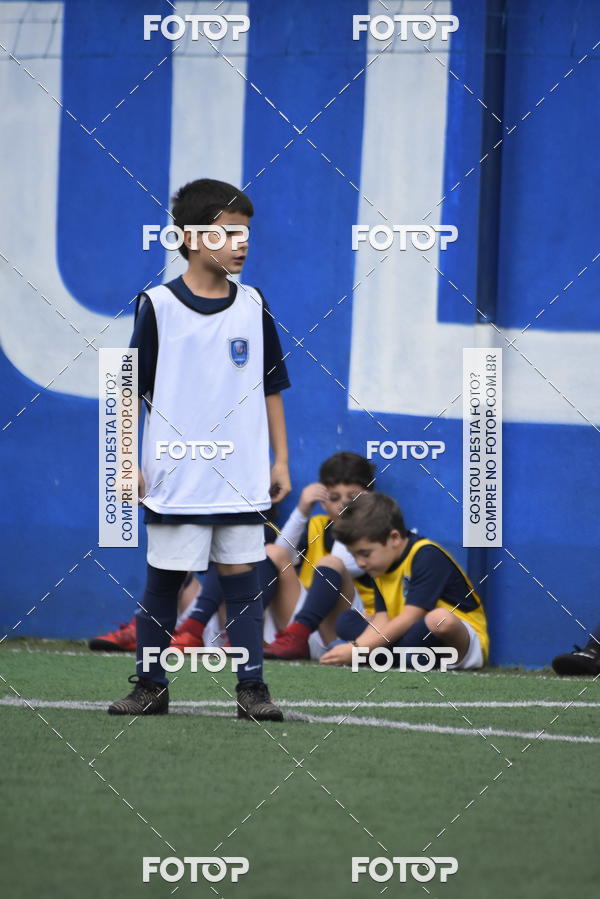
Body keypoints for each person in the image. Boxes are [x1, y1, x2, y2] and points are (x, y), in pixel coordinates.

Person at [108, 178, 291, 720]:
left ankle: (252, 688)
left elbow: (273, 387)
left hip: (240, 473)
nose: (242, 243)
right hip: (176, 477)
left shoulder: (254, 306)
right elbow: (127, 390)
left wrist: (280, 459)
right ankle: (150, 684)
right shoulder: (158, 307)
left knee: (244, 582)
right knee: (164, 580)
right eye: (229, 232)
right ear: (189, 237)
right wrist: (126, 461)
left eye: (246, 233)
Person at [319, 492, 489, 670]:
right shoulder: (379, 565)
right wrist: (358, 647)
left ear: (394, 538)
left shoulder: (426, 555)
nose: (360, 563)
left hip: (454, 639)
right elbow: (383, 618)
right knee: (347, 620)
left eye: (365, 553)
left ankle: (389, 657)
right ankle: (398, 657)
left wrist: (357, 649)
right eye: (354, 555)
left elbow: (411, 617)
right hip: (409, 635)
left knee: (440, 619)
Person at [262, 452, 377, 660]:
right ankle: (283, 636)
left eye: (352, 498)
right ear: (323, 502)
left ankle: (299, 633)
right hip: (305, 631)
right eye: (334, 498)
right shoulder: (317, 525)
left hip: (348, 632)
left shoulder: (375, 530)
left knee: (331, 563)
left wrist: (355, 514)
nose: (343, 504)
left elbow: (344, 564)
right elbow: (276, 560)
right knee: (272, 552)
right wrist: (302, 510)